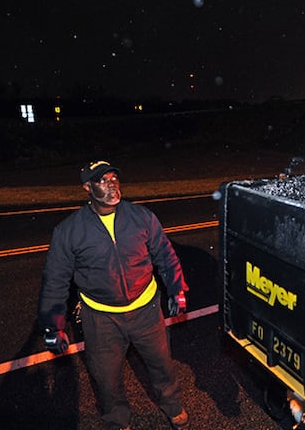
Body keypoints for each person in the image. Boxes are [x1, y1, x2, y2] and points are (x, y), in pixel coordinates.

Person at [38, 160, 190, 430]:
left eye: (114, 178)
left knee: (162, 365)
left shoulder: (141, 217)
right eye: (102, 180)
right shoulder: (69, 231)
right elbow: (55, 280)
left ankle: (172, 405)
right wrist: (53, 326)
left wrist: (176, 288)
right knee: (105, 377)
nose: (111, 184)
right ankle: (117, 419)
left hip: (146, 310)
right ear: (87, 187)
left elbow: (164, 254)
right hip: (102, 318)